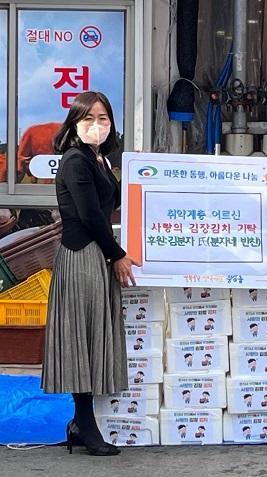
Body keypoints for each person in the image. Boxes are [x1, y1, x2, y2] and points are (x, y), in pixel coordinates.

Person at [41, 91, 139, 457]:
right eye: (88, 118)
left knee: (93, 336)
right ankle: (84, 423)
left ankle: (81, 423)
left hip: (96, 254)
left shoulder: (99, 160)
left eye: (103, 118)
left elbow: (111, 203)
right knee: (82, 338)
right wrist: (118, 255)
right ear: (74, 123)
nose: (96, 125)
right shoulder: (75, 160)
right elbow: (90, 215)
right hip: (82, 255)